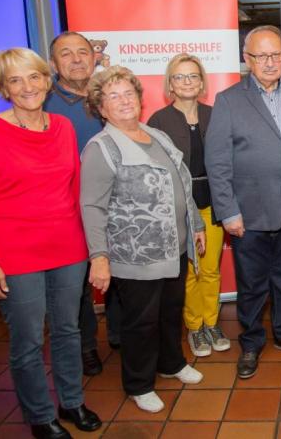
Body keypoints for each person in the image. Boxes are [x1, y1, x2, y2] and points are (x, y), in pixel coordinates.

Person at [0, 47, 102, 439]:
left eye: (34, 77)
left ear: (47, 81)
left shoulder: (62, 126)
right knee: (27, 339)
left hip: (68, 247)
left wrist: (93, 248)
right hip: (13, 253)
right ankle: (40, 415)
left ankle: (71, 401)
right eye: (15, 80)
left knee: (67, 330)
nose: (27, 87)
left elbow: (75, 188)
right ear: (3, 88)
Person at [80, 66, 206, 413]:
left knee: (169, 312)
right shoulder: (102, 147)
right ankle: (138, 383)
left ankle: (172, 363)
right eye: (113, 96)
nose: (124, 101)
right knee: (141, 321)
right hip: (136, 255)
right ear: (101, 108)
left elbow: (182, 184)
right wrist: (99, 256)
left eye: (129, 93)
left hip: (174, 247)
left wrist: (194, 224)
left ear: (139, 97)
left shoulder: (156, 135)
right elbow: (91, 206)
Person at [207, 25, 281, 378]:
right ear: (248, 59)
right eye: (263, 56)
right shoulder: (229, 100)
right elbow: (217, 163)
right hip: (250, 213)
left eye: (277, 54)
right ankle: (252, 342)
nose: (271, 62)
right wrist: (228, 211)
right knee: (253, 284)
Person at [147, 53, 231, 357]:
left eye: (193, 76)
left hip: (214, 202)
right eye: (180, 77)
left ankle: (212, 323)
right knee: (189, 273)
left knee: (210, 270)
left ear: (202, 82)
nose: (187, 82)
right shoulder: (158, 121)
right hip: (178, 209)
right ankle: (195, 328)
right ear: (170, 83)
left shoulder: (216, 113)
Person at [45, 31, 119, 375]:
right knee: (77, 285)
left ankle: (119, 335)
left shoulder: (108, 96)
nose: (76, 59)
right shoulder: (42, 102)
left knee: (119, 273)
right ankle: (86, 345)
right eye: (66, 54)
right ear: (53, 62)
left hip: (116, 205)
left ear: (94, 57)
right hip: (67, 210)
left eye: (82, 52)